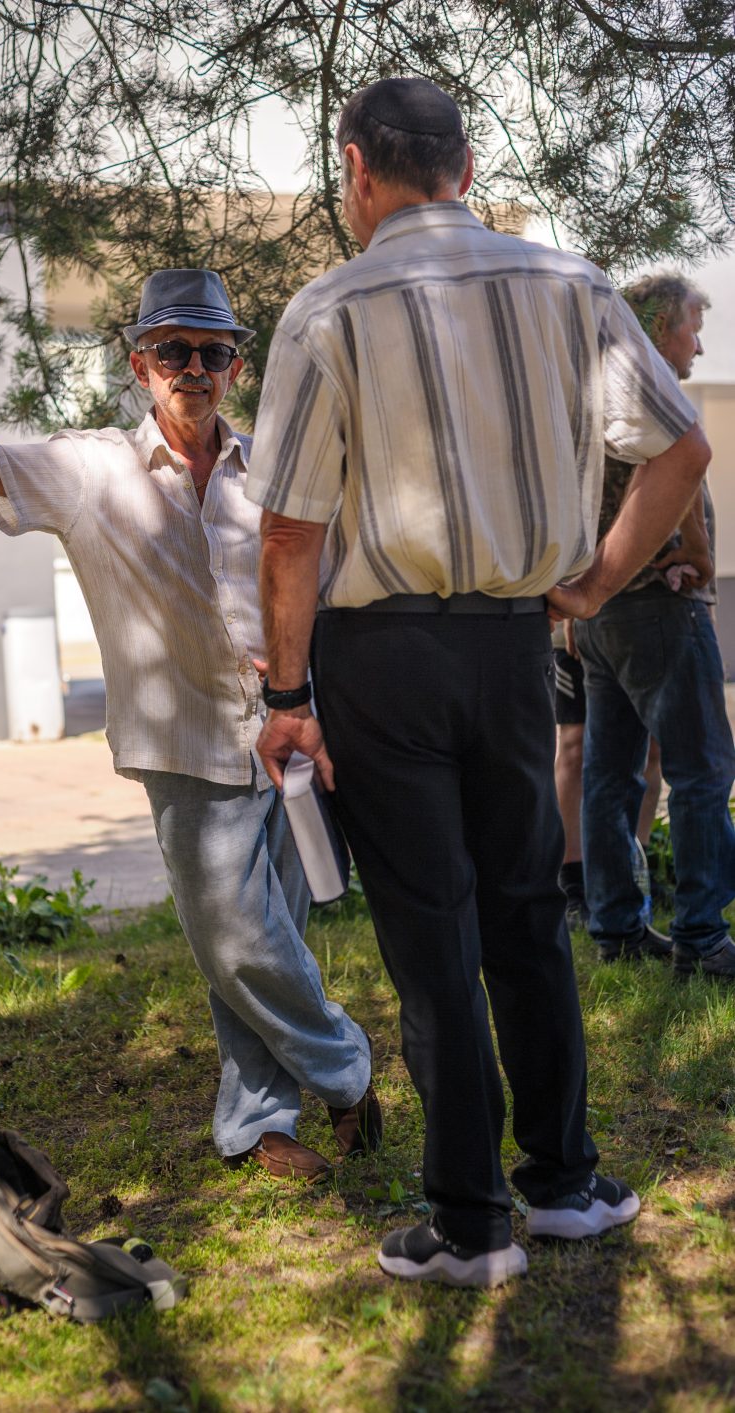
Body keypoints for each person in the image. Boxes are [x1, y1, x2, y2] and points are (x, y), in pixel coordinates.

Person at [244, 77, 710, 1287]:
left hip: (378, 657)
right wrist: (598, 582)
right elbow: (681, 446)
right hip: (515, 639)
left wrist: (285, 695)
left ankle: (469, 1225)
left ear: (356, 166)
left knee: (429, 933)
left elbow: (290, 529)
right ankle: (560, 1185)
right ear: (464, 162)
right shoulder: (569, 284)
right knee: (526, 914)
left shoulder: (324, 308)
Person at [0, 268, 381, 1184]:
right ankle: (349, 1071)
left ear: (237, 362)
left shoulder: (271, 463)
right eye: (172, 350)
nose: (194, 368)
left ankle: (256, 1123)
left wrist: (314, 705)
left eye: (213, 352)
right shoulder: (90, 468)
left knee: (273, 942)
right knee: (235, 939)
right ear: (137, 362)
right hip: (186, 743)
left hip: (285, 738)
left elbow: (318, 580)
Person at [575, 273, 735, 978]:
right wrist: (698, 557)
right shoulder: (653, 390)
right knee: (702, 771)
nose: (698, 345)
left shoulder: (591, 393)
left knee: (608, 773)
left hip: (598, 613)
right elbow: (683, 474)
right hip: (656, 608)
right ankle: (702, 937)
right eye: (692, 328)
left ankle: (615, 926)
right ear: (661, 326)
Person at [553, 620, 663, 929]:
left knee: (652, 750)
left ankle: (637, 868)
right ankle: (573, 881)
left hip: (647, 628)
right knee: (575, 746)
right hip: (576, 630)